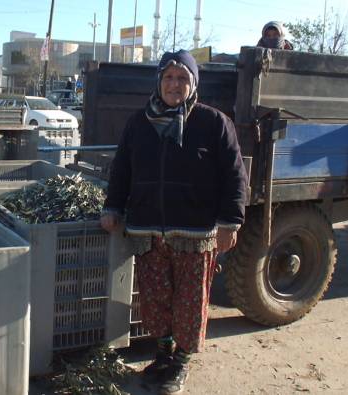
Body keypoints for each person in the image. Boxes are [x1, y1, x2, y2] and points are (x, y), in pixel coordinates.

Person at [100, 50, 247, 394]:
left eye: (182, 78)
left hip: (194, 232)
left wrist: (230, 222)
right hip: (147, 229)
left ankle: (179, 362)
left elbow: (235, 176)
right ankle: (163, 355)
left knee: (189, 302)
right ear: (159, 82)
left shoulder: (213, 122)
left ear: (193, 84)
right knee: (154, 299)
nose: (174, 84)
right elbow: (122, 169)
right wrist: (113, 207)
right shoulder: (140, 122)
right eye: (168, 77)